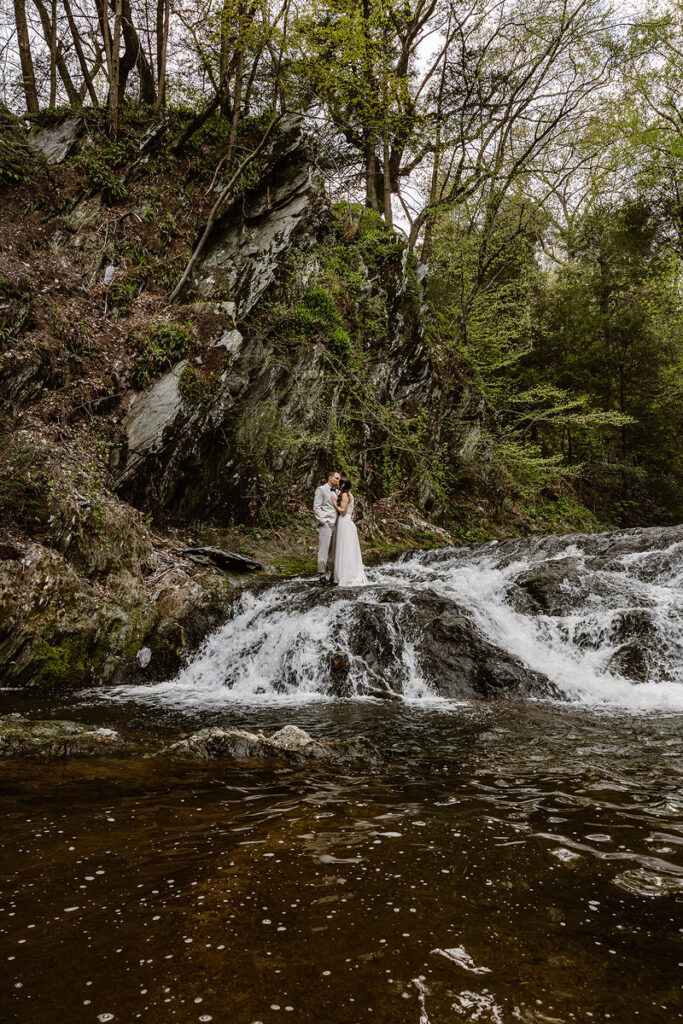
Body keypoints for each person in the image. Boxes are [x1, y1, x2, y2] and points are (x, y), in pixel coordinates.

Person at [332, 477, 367, 587]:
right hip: (347, 522)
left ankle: (345, 575)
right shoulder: (350, 494)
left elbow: (343, 511)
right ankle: (349, 572)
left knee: (344, 548)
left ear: (342, 486)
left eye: (339, 483)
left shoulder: (345, 495)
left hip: (344, 522)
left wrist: (334, 503)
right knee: (348, 548)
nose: (337, 484)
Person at [313, 470, 340, 584]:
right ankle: (322, 575)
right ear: (330, 477)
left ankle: (333, 574)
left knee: (334, 551)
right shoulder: (321, 489)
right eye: (336, 478)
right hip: (326, 523)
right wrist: (323, 521)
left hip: (337, 524)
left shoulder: (339, 492)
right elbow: (316, 507)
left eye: (339, 478)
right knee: (323, 549)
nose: (338, 480)